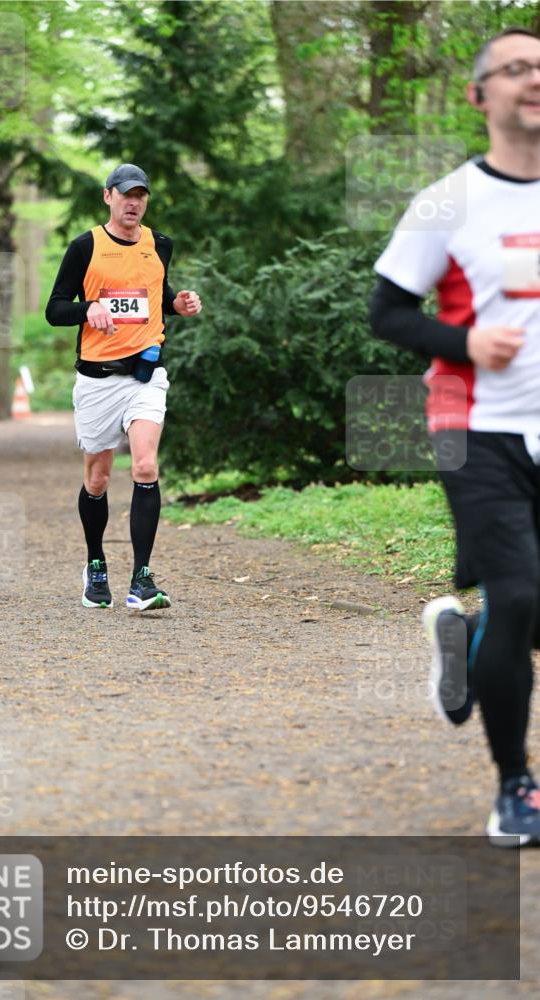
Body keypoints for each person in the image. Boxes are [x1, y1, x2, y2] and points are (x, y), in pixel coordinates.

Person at [369, 27, 540, 845]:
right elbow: (387, 312)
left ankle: (468, 640)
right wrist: (466, 343)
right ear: (478, 97)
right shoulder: (446, 201)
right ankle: (515, 788)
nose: (532, 79)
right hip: (473, 426)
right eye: (514, 69)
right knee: (516, 596)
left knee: (522, 611)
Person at [45, 163, 201, 611]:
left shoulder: (160, 244)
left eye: (141, 196)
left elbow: (158, 296)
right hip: (96, 378)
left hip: (146, 375)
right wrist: (88, 308)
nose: (134, 203)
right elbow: (55, 309)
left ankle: (142, 580)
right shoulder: (85, 247)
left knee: (146, 467)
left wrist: (178, 303)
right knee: (97, 478)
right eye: (126, 194)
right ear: (108, 196)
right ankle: (96, 565)